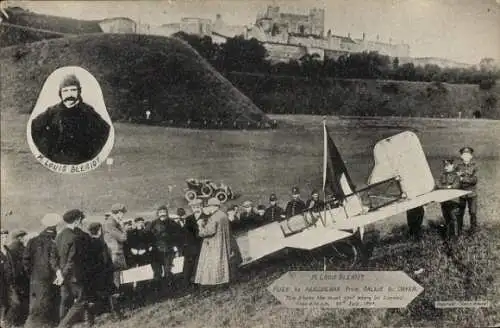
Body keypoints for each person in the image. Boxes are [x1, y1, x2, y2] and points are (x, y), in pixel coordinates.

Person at [30, 74, 111, 165]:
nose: (69, 94)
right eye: (65, 91)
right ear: (60, 93)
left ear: (79, 91)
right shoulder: (52, 111)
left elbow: (104, 130)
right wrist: (47, 150)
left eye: (73, 90)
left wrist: (91, 152)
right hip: (57, 158)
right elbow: (35, 126)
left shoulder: (87, 111)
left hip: (81, 159)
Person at [55, 209, 94, 328]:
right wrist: (64, 274)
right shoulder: (75, 237)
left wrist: (59, 273)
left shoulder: (59, 235)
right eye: (81, 220)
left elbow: (54, 256)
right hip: (73, 275)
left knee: (65, 300)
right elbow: (72, 260)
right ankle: (63, 326)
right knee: (82, 300)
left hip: (62, 274)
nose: (81, 222)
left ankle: (87, 323)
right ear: (77, 221)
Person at [23, 213, 62, 328]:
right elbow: (53, 261)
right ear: (55, 227)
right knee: (48, 302)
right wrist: (57, 273)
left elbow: (26, 259)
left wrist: (30, 273)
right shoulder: (53, 242)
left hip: (35, 277)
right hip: (49, 277)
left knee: (35, 302)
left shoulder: (32, 241)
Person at [194, 198, 236, 288]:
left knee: (213, 264)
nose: (208, 209)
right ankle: (223, 281)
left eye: (209, 206)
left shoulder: (213, 217)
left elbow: (209, 231)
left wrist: (200, 226)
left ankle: (215, 283)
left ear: (213, 206)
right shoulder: (223, 215)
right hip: (223, 242)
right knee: (222, 262)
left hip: (214, 244)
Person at [148, 205, 186, 294]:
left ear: (167, 213)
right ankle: (158, 292)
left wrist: (176, 246)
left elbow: (179, 235)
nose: (162, 214)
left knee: (168, 271)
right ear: (158, 214)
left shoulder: (173, 223)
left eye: (164, 212)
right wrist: (150, 245)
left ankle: (169, 291)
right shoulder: (152, 224)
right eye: (160, 212)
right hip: (156, 252)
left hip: (168, 251)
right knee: (157, 273)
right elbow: (147, 236)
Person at [86, 222, 115, 317]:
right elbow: (106, 259)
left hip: (92, 272)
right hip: (103, 271)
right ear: (99, 231)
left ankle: (95, 314)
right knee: (108, 292)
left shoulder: (87, 243)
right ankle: (113, 312)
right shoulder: (101, 243)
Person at [3, 229, 29, 327]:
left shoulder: (10, 248)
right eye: (24, 236)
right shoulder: (18, 247)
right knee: (17, 301)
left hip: (15, 278)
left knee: (16, 301)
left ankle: (14, 322)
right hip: (17, 278)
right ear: (20, 237)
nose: (25, 238)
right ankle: (11, 322)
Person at [182, 199, 207, 288]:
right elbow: (185, 233)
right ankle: (187, 285)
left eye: (198, 206)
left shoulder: (206, 217)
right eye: (194, 207)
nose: (196, 209)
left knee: (199, 266)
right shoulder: (189, 219)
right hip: (190, 247)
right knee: (188, 267)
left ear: (202, 206)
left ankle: (199, 284)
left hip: (202, 245)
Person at [103, 203, 128, 290]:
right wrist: (123, 227)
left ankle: (118, 295)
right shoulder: (110, 223)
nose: (123, 215)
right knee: (115, 276)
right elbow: (122, 238)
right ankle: (116, 297)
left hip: (116, 252)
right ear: (118, 213)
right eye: (122, 213)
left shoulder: (112, 222)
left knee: (117, 275)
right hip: (114, 253)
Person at [455, 146, 479, 234]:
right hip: (461, 194)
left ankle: (473, 232)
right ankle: (459, 231)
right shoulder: (458, 167)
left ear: (471, 156)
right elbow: (456, 179)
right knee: (460, 213)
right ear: (461, 156)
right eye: (464, 154)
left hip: (472, 194)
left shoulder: (475, 167)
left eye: (468, 155)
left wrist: (462, 179)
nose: (466, 156)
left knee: (472, 212)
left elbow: (475, 180)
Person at [436, 159, 461, 239]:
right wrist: (448, 187)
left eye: (448, 165)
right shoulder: (442, 175)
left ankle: (455, 237)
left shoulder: (456, 176)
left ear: (452, 165)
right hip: (444, 201)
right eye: (445, 166)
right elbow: (438, 185)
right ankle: (448, 236)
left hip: (454, 201)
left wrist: (444, 187)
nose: (446, 167)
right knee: (446, 218)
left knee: (453, 218)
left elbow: (456, 186)